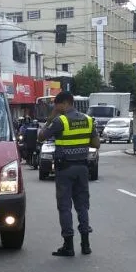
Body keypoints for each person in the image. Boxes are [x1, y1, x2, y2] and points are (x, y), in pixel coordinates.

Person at [39, 91, 100, 257]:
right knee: (82, 206)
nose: (55, 108)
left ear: (64, 103)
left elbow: (41, 137)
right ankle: (86, 245)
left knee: (65, 207)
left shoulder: (60, 120)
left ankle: (68, 246)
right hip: (82, 168)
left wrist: (51, 117)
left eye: (56, 105)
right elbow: (96, 144)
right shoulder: (88, 120)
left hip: (64, 169)